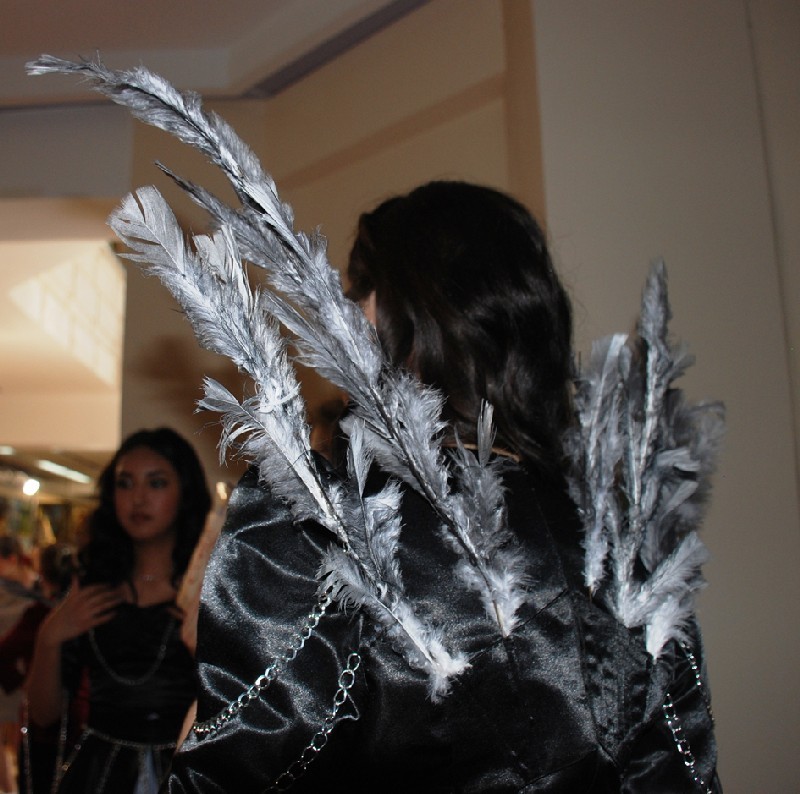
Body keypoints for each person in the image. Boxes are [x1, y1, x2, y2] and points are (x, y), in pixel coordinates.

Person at [164, 182, 721, 792]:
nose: (336, 317)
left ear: (394, 313)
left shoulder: (317, 523)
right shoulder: (628, 555)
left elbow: (227, 776)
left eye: (353, 294)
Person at [24, 428, 211, 794]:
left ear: (185, 493)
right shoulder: (90, 590)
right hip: (96, 775)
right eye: (125, 483)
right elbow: (44, 716)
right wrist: (49, 638)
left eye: (156, 483)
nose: (138, 498)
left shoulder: (208, 592)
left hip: (183, 774)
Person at [0, 542, 75, 794]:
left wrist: (23, 682)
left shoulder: (41, 614)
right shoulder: (46, 613)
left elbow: (4, 653)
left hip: (52, 724)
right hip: (76, 721)